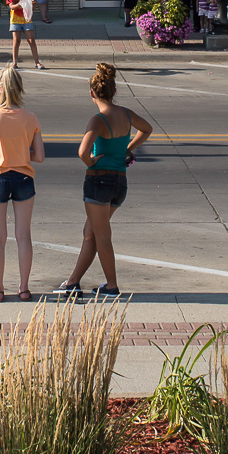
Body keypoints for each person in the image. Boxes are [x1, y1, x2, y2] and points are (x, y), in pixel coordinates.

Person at [56, 62, 153, 297]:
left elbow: (82, 152)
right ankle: (72, 283)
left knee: (101, 235)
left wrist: (93, 163)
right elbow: (147, 129)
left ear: (92, 93)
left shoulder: (98, 120)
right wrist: (128, 149)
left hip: (99, 182)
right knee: (90, 232)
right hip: (119, 183)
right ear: (114, 91)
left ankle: (111, 286)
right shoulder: (126, 114)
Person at [0, 66, 43, 302]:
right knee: (23, 235)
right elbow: (40, 156)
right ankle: (24, 288)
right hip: (24, 178)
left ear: (0, 89)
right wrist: (21, 153)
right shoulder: (30, 118)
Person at [6, 0, 43, 70]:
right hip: (15, 20)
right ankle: (14, 63)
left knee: (31, 41)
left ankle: (37, 62)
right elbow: (11, 6)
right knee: (16, 41)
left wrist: (30, 2)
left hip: (27, 20)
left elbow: (34, 7)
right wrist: (19, 4)